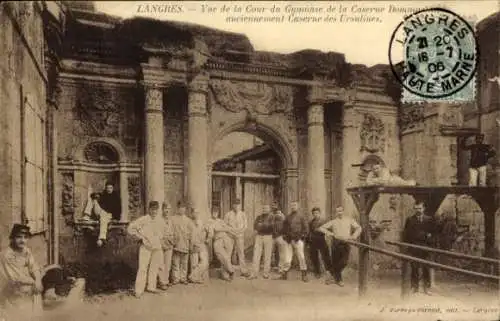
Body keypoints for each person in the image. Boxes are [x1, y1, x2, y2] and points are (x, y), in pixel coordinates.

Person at [0, 224, 43, 321]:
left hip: (25, 289)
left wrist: (38, 280)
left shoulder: (26, 250)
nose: (22, 240)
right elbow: (15, 277)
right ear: (12, 238)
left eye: (25, 237)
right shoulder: (7, 255)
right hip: (10, 291)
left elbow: (34, 266)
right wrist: (34, 282)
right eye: (19, 237)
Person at [127, 201, 165, 298]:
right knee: (143, 268)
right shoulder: (144, 219)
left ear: (158, 210)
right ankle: (138, 290)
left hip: (157, 246)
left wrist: (160, 238)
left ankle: (151, 287)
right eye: (152, 209)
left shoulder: (160, 220)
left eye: (156, 209)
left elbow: (164, 232)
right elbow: (130, 228)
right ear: (149, 209)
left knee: (154, 267)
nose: (154, 211)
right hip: (146, 247)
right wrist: (140, 237)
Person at [319, 206, 362, 287]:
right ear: (336, 213)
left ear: (343, 211)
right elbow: (321, 228)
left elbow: (359, 228)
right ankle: (339, 280)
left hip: (346, 242)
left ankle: (331, 274)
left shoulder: (349, 220)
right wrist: (330, 233)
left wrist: (354, 236)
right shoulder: (333, 221)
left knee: (344, 262)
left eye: (341, 211)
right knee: (335, 261)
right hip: (336, 243)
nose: (340, 213)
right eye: (338, 211)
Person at [402, 201, 435, 295]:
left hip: (426, 247)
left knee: (426, 268)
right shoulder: (410, 219)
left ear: (423, 209)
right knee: (414, 268)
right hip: (414, 247)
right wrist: (407, 247)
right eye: (416, 208)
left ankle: (426, 288)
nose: (418, 210)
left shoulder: (429, 220)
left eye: (420, 208)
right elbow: (406, 234)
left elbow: (433, 233)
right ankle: (414, 288)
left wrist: (430, 242)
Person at [280, 201, 309, 282]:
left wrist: (301, 237)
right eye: (292, 205)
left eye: (295, 205)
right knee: (287, 258)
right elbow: (284, 228)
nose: (293, 207)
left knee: (301, 257)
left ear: (298, 206)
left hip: (298, 239)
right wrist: (285, 237)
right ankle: (284, 274)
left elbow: (306, 229)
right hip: (289, 240)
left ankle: (304, 275)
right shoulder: (288, 217)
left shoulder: (301, 217)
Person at [207, 207, 236, 281]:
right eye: (213, 212)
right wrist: (225, 229)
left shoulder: (220, 220)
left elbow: (228, 228)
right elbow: (215, 230)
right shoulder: (209, 221)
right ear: (211, 213)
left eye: (216, 212)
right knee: (223, 257)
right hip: (218, 240)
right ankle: (231, 271)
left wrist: (233, 233)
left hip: (226, 239)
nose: (215, 214)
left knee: (227, 257)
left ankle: (225, 275)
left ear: (218, 213)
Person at [224, 199, 250, 277]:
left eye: (238, 205)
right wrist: (231, 231)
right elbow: (225, 225)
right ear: (232, 205)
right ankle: (228, 270)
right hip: (230, 236)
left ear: (240, 205)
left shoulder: (243, 214)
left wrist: (240, 232)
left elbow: (245, 226)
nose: (236, 206)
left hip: (239, 236)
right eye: (235, 204)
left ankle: (243, 271)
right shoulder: (228, 214)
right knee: (228, 253)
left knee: (241, 253)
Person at [171, 201, 194, 285]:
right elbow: (171, 231)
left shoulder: (188, 220)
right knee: (176, 262)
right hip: (176, 244)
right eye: (180, 207)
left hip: (185, 243)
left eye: (184, 208)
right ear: (177, 208)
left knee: (184, 263)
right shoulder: (173, 219)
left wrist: (190, 243)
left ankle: (183, 278)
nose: (182, 209)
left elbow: (191, 233)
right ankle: (176, 278)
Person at [249, 204, 274, 279]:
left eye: (266, 208)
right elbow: (255, 226)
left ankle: (266, 273)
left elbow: (271, 226)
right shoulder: (259, 217)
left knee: (267, 255)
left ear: (269, 209)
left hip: (268, 236)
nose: (264, 209)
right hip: (259, 237)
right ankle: (254, 273)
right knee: (256, 255)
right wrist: (262, 226)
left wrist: (261, 225)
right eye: (263, 208)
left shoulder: (272, 217)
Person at [308, 207, 333, 279]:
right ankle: (317, 272)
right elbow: (309, 232)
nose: (316, 215)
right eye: (314, 213)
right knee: (314, 257)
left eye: (317, 213)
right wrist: (309, 242)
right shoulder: (311, 222)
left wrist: (325, 233)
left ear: (320, 213)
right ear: (312, 214)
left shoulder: (324, 221)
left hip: (322, 240)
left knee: (326, 256)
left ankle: (329, 272)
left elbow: (329, 230)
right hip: (313, 241)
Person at [188, 208, 210, 284]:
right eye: (194, 213)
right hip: (193, 244)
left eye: (197, 213)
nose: (196, 214)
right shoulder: (189, 222)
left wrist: (207, 238)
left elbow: (208, 230)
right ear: (191, 213)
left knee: (205, 262)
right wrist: (191, 245)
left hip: (201, 244)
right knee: (194, 264)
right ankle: (195, 278)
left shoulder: (201, 222)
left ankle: (193, 276)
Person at [158, 203, 175, 290]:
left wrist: (171, 240)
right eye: (166, 209)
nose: (167, 211)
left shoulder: (171, 221)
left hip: (169, 244)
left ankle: (166, 280)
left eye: (169, 209)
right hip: (161, 244)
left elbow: (172, 232)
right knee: (161, 264)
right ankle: (161, 282)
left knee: (168, 264)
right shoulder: (159, 220)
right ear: (162, 210)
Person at [270, 202, 287, 275]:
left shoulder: (281, 215)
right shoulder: (270, 215)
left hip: (280, 236)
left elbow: (285, 224)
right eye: (273, 205)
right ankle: (270, 267)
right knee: (269, 252)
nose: (274, 206)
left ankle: (281, 268)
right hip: (271, 236)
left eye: (275, 205)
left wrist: (284, 234)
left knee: (281, 253)